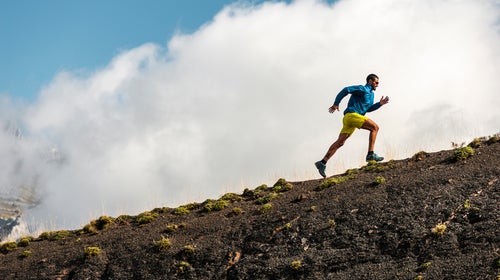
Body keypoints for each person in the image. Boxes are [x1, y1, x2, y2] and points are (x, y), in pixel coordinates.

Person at [315, 73, 389, 178]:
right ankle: (370, 154)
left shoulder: (371, 95)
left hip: (352, 119)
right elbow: (346, 90)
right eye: (376, 82)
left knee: (340, 142)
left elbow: (368, 109)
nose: (377, 85)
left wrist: (379, 104)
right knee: (375, 128)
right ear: (370, 81)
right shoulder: (362, 89)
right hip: (351, 115)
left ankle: (322, 162)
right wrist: (336, 103)